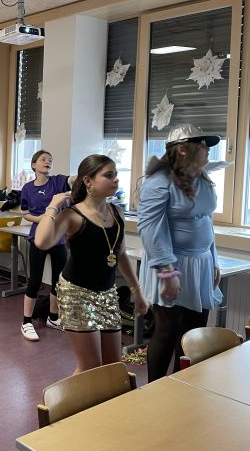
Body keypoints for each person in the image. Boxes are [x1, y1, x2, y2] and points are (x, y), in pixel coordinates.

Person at [35, 154, 148, 374]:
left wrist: (137, 292)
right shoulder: (73, 215)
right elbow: (42, 241)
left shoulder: (117, 212)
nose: (116, 179)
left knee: (113, 366)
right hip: (76, 294)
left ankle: (104, 398)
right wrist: (53, 206)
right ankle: (64, 398)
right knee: (90, 367)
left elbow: (120, 254)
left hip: (107, 294)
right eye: (109, 175)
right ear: (88, 181)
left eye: (116, 174)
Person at [137, 124, 223, 382]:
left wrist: (214, 260)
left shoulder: (202, 178)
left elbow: (206, 221)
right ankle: (154, 390)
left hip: (201, 263)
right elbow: (151, 230)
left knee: (194, 332)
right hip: (172, 264)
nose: (208, 150)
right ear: (183, 149)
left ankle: (182, 386)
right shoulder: (159, 181)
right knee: (167, 330)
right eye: (203, 145)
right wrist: (168, 272)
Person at [17, 150, 75, 341]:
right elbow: (25, 213)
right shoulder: (27, 188)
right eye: (43, 159)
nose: (47, 162)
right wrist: (42, 219)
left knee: (59, 280)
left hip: (58, 239)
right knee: (35, 281)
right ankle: (26, 321)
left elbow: (73, 179)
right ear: (33, 165)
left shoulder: (57, 182)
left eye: (50, 160)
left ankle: (53, 317)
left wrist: (87, 174)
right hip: (38, 238)